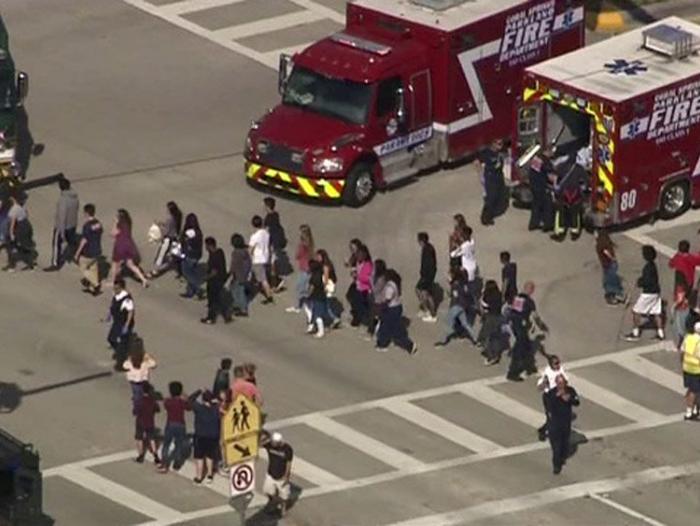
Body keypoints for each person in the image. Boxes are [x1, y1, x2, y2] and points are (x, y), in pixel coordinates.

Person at [507, 281, 547, 381]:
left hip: (515, 325)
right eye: (532, 289)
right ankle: (513, 373)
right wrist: (542, 326)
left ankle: (530, 367)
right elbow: (535, 316)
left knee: (527, 346)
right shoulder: (529, 301)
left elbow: (514, 312)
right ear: (530, 290)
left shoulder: (517, 298)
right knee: (520, 348)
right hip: (520, 326)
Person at [625, 245, 664, 341]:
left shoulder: (647, 267)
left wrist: (640, 282)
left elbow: (647, 281)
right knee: (656, 312)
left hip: (648, 293)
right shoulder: (653, 265)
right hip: (656, 291)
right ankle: (660, 333)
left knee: (636, 311)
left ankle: (635, 333)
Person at [375, 269, 418, 355]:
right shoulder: (394, 284)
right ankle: (382, 343)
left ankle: (410, 345)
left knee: (393, 329)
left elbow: (387, 300)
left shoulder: (389, 287)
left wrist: (379, 308)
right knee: (387, 327)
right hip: (396, 308)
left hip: (392, 309)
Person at [435, 266, 478, 347]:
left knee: (448, 323)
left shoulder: (455, 285)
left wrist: (449, 289)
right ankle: (475, 339)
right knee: (465, 323)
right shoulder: (464, 283)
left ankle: (443, 341)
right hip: (463, 305)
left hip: (456, 306)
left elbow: (454, 295)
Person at [45, 177, 79, 271]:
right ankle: (77, 256)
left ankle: (55, 263)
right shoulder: (75, 197)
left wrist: (62, 232)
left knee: (56, 244)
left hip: (62, 227)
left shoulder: (63, 200)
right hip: (72, 224)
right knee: (72, 242)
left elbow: (62, 216)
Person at [548, 375, 579, 474]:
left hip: (566, 423)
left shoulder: (570, 390)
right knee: (556, 446)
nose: (561, 385)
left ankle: (561, 459)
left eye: (563, 383)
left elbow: (577, 402)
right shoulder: (552, 393)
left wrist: (569, 399)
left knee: (565, 444)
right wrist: (557, 396)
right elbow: (549, 405)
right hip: (555, 423)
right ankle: (556, 466)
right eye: (559, 383)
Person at [158, 381, 190, 473]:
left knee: (166, 444)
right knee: (179, 444)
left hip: (170, 424)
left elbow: (165, 405)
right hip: (180, 424)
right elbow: (189, 407)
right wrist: (186, 398)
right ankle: (177, 464)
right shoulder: (182, 402)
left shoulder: (168, 402)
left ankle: (164, 463)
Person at [111, 209, 148, 287]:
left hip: (120, 245)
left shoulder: (119, 224)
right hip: (129, 244)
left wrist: (115, 222)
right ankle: (143, 279)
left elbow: (113, 233)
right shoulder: (128, 223)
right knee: (130, 264)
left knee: (115, 264)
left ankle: (113, 281)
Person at [189, 390, 220, 484]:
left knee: (199, 457)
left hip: (200, 436)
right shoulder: (216, 409)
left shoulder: (199, 408)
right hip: (213, 437)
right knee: (210, 456)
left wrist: (198, 391)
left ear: (203, 400)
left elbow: (190, 399)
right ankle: (210, 475)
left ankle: (199, 477)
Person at [551, 158, 586, 241]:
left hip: (563, 194)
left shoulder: (561, 166)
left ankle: (560, 233)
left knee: (560, 213)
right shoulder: (579, 168)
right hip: (575, 194)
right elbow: (585, 181)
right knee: (575, 213)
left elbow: (555, 178)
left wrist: (555, 188)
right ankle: (574, 233)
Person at [536, 354, 569, 441]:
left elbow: (566, 380)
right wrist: (544, 383)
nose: (558, 365)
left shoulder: (561, 370)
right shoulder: (547, 373)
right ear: (551, 364)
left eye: (558, 363)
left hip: (559, 396)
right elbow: (539, 387)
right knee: (552, 418)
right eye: (556, 363)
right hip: (549, 397)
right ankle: (544, 431)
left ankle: (547, 430)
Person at [261, 431, 293, 517]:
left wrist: (286, 477)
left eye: (274, 443)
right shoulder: (269, 445)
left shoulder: (287, 449)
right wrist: (265, 438)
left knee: (284, 496)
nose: (273, 444)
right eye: (272, 441)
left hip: (281, 476)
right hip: (270, 473)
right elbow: (259, 444)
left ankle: (283, 508)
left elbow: (288, 464)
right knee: (267, 491)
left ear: (279, 442)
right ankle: (274, 502)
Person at [147, 201, 183, 279]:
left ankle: (154, 271)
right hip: (175, 238)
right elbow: (171, 226)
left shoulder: (169, 218)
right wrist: (161, 223)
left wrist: (159, 228)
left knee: (161, 255)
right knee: (175, 254)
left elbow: (166, 231)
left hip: (168, 239)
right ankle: (180, 269)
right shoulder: (178, 215)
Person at [74, 203, 103, 296]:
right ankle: (93, 288)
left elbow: (84, 240)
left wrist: (77, 253)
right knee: (93, 269)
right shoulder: (98, 223)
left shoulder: (87, 226)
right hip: (97, 249)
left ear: (86, 213)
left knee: (83, 268)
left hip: (88, 251)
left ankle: (96, 285)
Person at [106, 278, 135, 371]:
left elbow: (131, 312)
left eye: (117, 288)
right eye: (114, 288)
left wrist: (126, 325)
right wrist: (109, 315)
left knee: (121, 342)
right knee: (111, 339)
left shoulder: (127, 299)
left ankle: (123, 360)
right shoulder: (116, 295)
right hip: (117, 321)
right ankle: (122, 353)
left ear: (121, 288)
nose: (115, 290)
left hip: (123, 322)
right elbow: (112, 305)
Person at [201, 237, 231, 324]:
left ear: (210, 246)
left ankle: (211, 318)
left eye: (206, 245)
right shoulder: (220, 252)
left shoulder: (214, 256)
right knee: (218, 299)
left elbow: (214, 272)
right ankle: (226, 315)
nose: (205, 247)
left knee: (212, 300)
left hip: (214, 281)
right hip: (221, 279)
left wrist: (206, 278)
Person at [2, 194, 36, 271]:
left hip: (20, 228)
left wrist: (11, 234)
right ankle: (31, 264)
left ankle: (11, 266)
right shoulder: (22, 207)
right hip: (26, 226)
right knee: (24, 245)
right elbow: (26, 215)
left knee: (11, 246)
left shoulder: (14, 209)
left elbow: (12, 223)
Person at [286, 225, 314, 313]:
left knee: (301, 288)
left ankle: (302, 306)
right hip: (308, 267)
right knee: (303, 287)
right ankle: (302, 305)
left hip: (304, 268)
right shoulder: (310, 243)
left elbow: (297, 255)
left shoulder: (303, 245)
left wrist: (298, 253)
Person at [479, 139, 506, 226]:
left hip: (499, 177)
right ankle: (485, 218)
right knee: (491, 198)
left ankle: (492, 213)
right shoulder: (487, 153)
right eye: (499, 144)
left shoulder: (500, 153)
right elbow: (483, 166)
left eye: (501, 143)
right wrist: (494, 166)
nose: (501, 146)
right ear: (493, 143)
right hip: (491, 178)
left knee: (499, 195)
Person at [263, 197, 288, 292]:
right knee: (271, 264)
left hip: (272, 244)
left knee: (271, 265)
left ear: (267, 206)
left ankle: (275, 283)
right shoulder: (276, 215)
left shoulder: (268, 219)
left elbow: (266, 231)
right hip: (276, 242)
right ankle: (274, 282)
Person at [123, 341, 156, 409]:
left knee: (136, 392)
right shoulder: (144, 358)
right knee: (140, 394)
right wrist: (149, 358)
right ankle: (140, 406)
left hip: (132, 379)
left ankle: (137, 406)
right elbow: (153, 364)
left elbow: (125, 366)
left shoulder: (131, 358)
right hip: (143, 379)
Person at [527, 147, 554, 232]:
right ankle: (547, 225)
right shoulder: (546, 162)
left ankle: (533, 224)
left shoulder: (537, 158)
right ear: (548, 151)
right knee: (547, 205)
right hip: (542, 186)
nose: (553, 154)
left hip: (533, 185)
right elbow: (551, 177)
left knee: (536, 204)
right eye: (552, 152)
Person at [595, 230, 625, 305]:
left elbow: (605, 251)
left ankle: (615, 295)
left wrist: (612, 258)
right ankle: (615, 295)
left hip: (607, 264)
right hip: (610, 264)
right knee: (610, 279)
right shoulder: (606, 240)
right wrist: (613, 258)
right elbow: (607, 250)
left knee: (609, 280)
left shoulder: (600, 243)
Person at [133, 382, 160, 465]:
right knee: (151, 438)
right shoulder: (152, 401)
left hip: (140, 421)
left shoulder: (139, 401)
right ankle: (155, 455)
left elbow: (135, 412)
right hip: (150, 421)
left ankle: (141, 455)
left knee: (139, 438)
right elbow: (157, 409)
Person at [249, 215, 273, 304]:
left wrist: (250, 255)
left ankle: (269, 296)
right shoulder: (266, 233)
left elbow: (251, 249)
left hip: (258, 259)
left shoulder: (254, 236)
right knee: (256, 275)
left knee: (263, 279)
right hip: (266, 257)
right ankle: (251, 288)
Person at [180, 213, 203, 299]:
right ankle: (190, 291)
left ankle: (197, 288)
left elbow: (183, 240)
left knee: (187, 273)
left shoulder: (189, 232)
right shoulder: (198, 232)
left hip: (189, 255)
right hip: (197, 255)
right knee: (191, 272)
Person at [416, 232, 438, 322]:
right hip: (429, 275)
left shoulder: (427, 250)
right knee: (426, 293)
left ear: (421, 241)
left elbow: (428, 264)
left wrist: (424, 275)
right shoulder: (429, 247)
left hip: (427, 275)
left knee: (424, 293)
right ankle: (428, 310)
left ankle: (429, 312)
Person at [316, 249, 341, 329]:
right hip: (331, 286)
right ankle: (332, 319)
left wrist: (323, 287)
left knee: (326, 306)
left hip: (328, 287)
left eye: (318, 256)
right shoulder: (328, 264)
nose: (317, 258)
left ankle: (334, 318)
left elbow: (326, 278)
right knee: (326, 305)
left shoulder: (325, 266)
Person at [350, 245, 373, 328]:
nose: (358, 256)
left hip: (365, 289)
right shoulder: (358, 263)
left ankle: (371, 321)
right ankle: (358, 319)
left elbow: (369, 278)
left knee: (365, 307)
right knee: (356, 303)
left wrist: (358, 276)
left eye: (360, 254)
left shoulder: (368, 265)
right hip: (358, 287)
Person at [228, 233, 251, 317]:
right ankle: (236, 305)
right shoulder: (245, 251)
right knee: (235, 289)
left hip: (239, 275)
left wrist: (229, 273)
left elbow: (234, 265)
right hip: (244, 274)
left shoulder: (236, 253)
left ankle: (242, 308)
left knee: (238, 291)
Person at [681, 322, 700, 421]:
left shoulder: (688, 338)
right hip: (697, 369)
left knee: (691, 390)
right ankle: (690, 412)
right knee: (694, 391)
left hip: (687, 368)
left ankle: (694, 409)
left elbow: (682, 352)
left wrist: (682, 364)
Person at [367, 258, 388, 338]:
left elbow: (375, 290)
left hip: (379, 301)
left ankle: (373, 332)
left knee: (374, 316)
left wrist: (370, 279)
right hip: (377, 300)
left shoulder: (381, 279)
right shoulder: (381, 277)